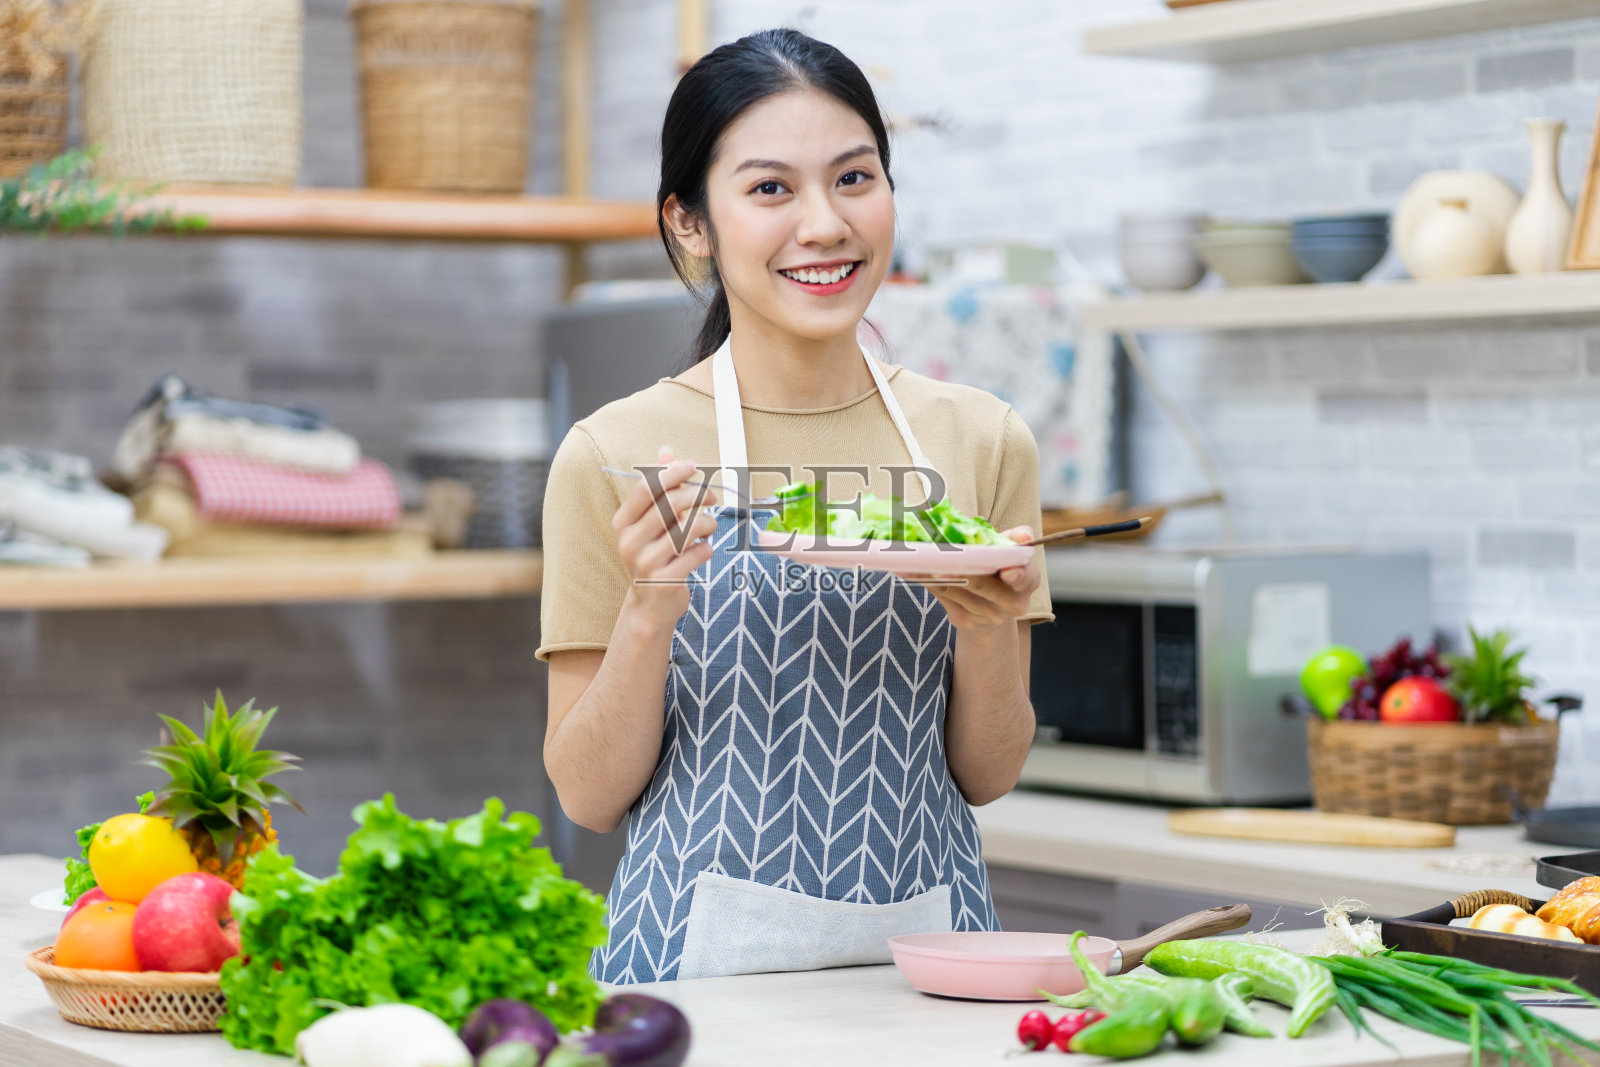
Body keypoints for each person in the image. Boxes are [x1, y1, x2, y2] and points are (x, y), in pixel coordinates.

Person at [537, 27, 1052, 985]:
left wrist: (986, 627)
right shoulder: (613, 455)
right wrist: (650, 607)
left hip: (933, 961)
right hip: (691, 971)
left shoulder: (982, 440)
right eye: (771, 188)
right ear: (691, 222)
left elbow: (988, 775)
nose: (824, 224)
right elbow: (587, 798)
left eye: (855, 178)